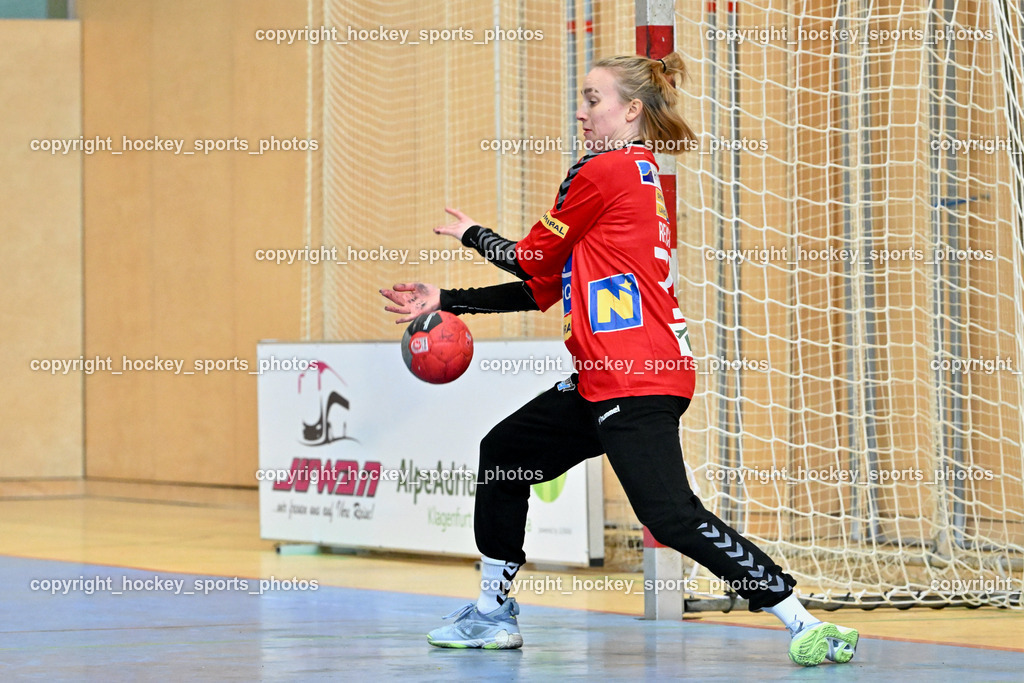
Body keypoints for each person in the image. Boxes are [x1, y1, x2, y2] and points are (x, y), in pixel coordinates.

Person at [380, 52, 859, 667]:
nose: (581, 112)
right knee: (505, 453)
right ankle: (493, 614)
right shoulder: (636, 175)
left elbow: (529, 260)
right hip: (602, 377)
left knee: (670, 515)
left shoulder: (604, 172)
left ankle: (800, 620)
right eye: (581, 100)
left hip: (635, 376)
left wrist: (473, 234)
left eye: (594, 100)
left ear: (632, 110)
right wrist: (449, 300)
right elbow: (543, 287)